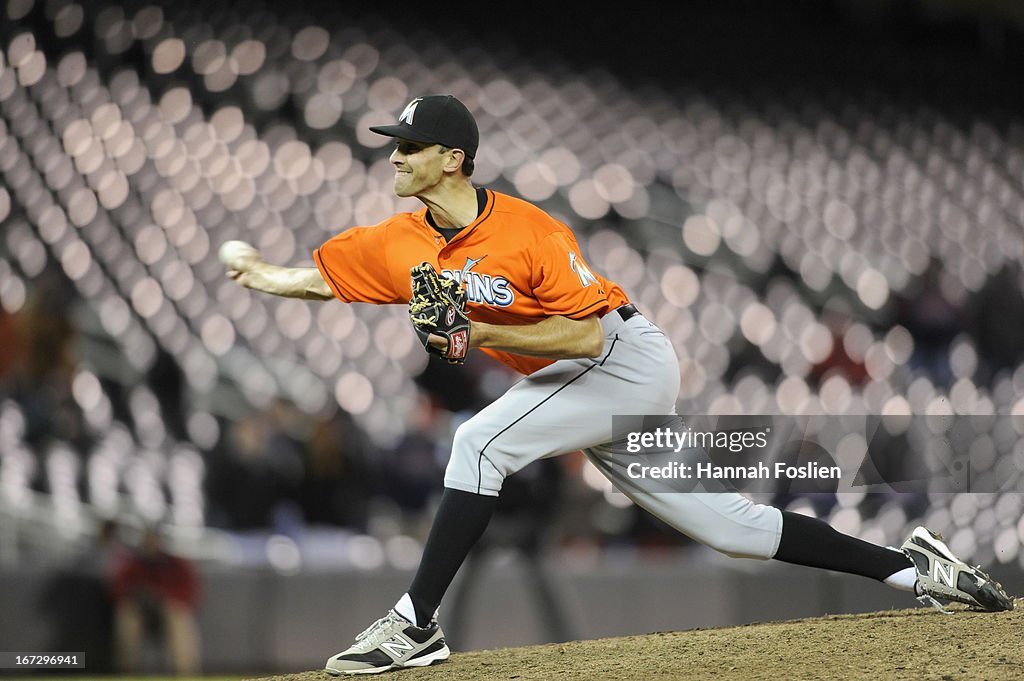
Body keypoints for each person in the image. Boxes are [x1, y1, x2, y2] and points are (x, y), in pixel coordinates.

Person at [223, 94, 1013, 676]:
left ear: (452, 159)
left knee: (477, 440)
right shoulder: (399, 241)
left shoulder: (530, 230)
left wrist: (481, 333)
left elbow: (586, 334)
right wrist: (263, 276)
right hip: (583, 380)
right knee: (731, 529)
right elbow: (326, 279)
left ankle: (413, 624)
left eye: (409, 145)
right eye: (393, 144)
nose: (393, 155)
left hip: (622, 357)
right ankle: (918, 570)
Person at [108, 526, 202, 675]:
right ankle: (126, 673)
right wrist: (137, 595)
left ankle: (186, 674)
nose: (150, 544)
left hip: (168, 608)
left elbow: (192, 592)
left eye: (154, 540)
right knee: (127, 618)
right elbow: (117, 589)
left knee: (178, 617)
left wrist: (165, 597)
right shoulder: (134, 563)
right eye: (147, 540)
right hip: (141, 610)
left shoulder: (176, 563)